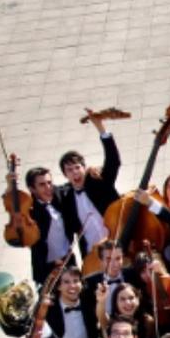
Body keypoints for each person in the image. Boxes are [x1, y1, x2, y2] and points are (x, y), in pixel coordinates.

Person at [58, 111, 121, 270]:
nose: (75, 172)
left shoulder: (97, 180)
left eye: (77, 167)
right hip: (92, 256)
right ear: (65, 175)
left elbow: (114, 161)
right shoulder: (65, 196)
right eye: (70, 170)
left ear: (84, 168)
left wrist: (100, 128)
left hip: (117, 247)